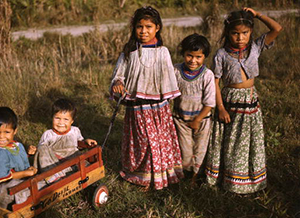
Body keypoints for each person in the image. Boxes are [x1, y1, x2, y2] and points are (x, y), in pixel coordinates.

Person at [205, 7, 282, 194]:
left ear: (251, 32)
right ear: (227, 33)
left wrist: (257, 15)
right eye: (235, 33)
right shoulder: (221, 55)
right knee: (231, 141)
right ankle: (230, 182)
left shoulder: (255, 47)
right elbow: (214, 83)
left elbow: (276, 29)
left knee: (250, 141)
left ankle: (250, 181)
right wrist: (221, 108)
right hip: (230, 103)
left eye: (245, 33)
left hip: (250, 101)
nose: (240, 38)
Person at [110, 6, 183, 191]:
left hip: (158, 108)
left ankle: (160, 177)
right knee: (142, 142)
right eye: (139, 27)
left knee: (158, 142)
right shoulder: (129, 52)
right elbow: (119, 74)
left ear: (157, 27)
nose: (144, 31)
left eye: (148, 27)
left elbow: (168, 79)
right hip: (136, 107)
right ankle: (142, 177)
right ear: (134, 28)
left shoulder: (162, 52)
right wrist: (118, 82)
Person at [172, 33, 215, 186]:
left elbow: (210, 102)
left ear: (205, 57)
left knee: (200, 150)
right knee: (185, 151)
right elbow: (169, 91)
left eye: (198, 57)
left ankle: (196, 178)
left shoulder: (207, 75)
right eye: (189, 56)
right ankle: (185, 175)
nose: (193, 60)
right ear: (183, 54)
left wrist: (197, 120)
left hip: (201, 120)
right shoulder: (176, 70)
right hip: (181, 120)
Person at [0, 107, 37, 209]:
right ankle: (14, 207)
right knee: (14, 186)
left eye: (7, 132)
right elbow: (3, 176)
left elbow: (14, 160)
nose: (1, 136)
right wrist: (25, 173)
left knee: (31, 181)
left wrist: (27, 155)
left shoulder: (16, 146)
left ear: (15, 131)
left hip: (16, 180)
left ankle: (26, 198)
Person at [31, 98, 97, 183]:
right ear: (52, 118)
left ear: (72, 121)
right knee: (42, 148)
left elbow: (80, 144)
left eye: (66, 119)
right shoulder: (48, 134)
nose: (61, 122)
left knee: (83, 163)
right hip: (55, 165)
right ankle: (53, 177)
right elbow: (42, 152)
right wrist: (34, 150)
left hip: (73, 161)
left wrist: (86, 141)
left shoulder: (74, 131)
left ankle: (73, 174)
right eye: (57, 118)